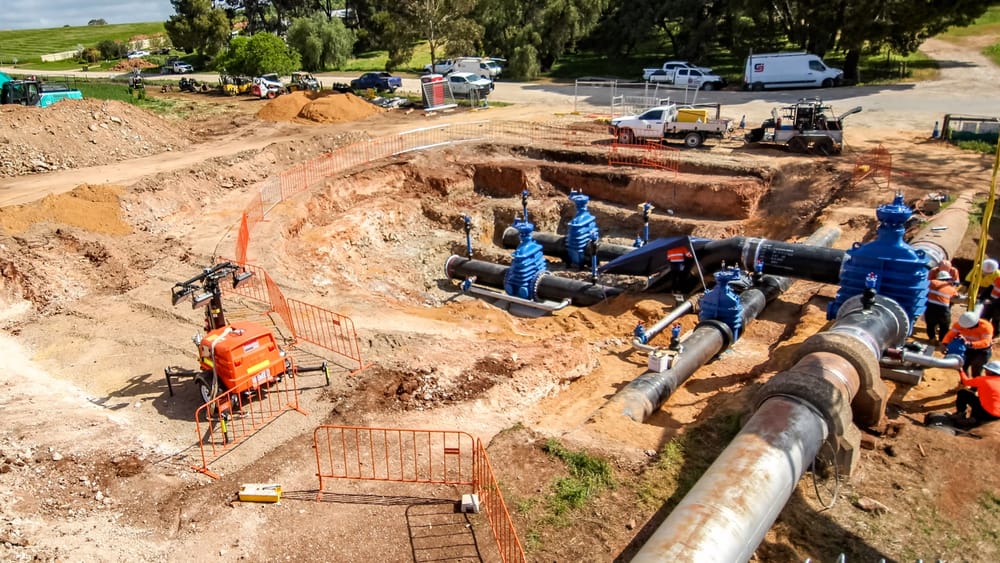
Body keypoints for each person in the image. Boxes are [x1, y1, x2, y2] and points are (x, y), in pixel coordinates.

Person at [942, 311, 994, 377]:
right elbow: (950, 335)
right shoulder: (959, 324)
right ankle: (964, 383)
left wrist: (971, 344)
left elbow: (986, 342)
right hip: (967, 348)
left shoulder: (986, 327)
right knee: (962, 367)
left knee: (976, 370)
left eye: (969, 327)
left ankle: (975, 386)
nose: (967, 329)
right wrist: (944, 343)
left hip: (982, 351)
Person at [952, 360, 1000, 427]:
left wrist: (960, 370)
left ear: (990, 371)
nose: (985, 371)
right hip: (998, 416)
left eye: (986, 369)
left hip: (987, 413)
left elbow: (965, 381)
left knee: (963, 393)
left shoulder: (983, 380)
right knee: (981, 400)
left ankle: (964, 415)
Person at [925, 270, 959, 343]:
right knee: (944, 326)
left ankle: (932, 338)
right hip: (943, 310)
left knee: (930, 324)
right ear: (947, 279)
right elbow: (956, 297)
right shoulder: (951, 288)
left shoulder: (932, 282)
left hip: (931, 307)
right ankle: (941, 341)